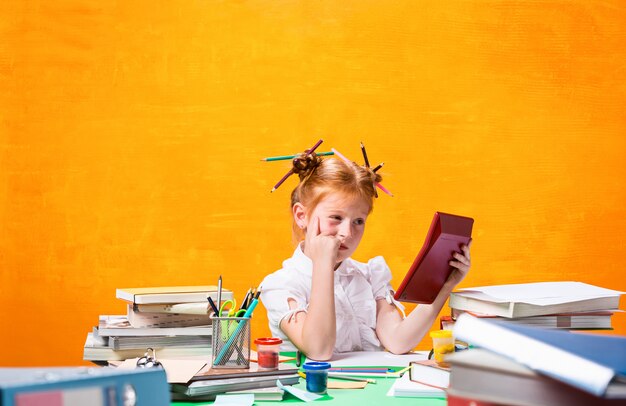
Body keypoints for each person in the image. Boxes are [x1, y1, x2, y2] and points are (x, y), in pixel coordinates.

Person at [260, 148, 472, 361]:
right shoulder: (281, 285)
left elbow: (398, 341)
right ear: (301, 216)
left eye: (358, 221)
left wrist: (443, 286)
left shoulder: (369, 275)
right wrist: (323, 262)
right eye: (335, 217)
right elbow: (319, 350)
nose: (347, 233)